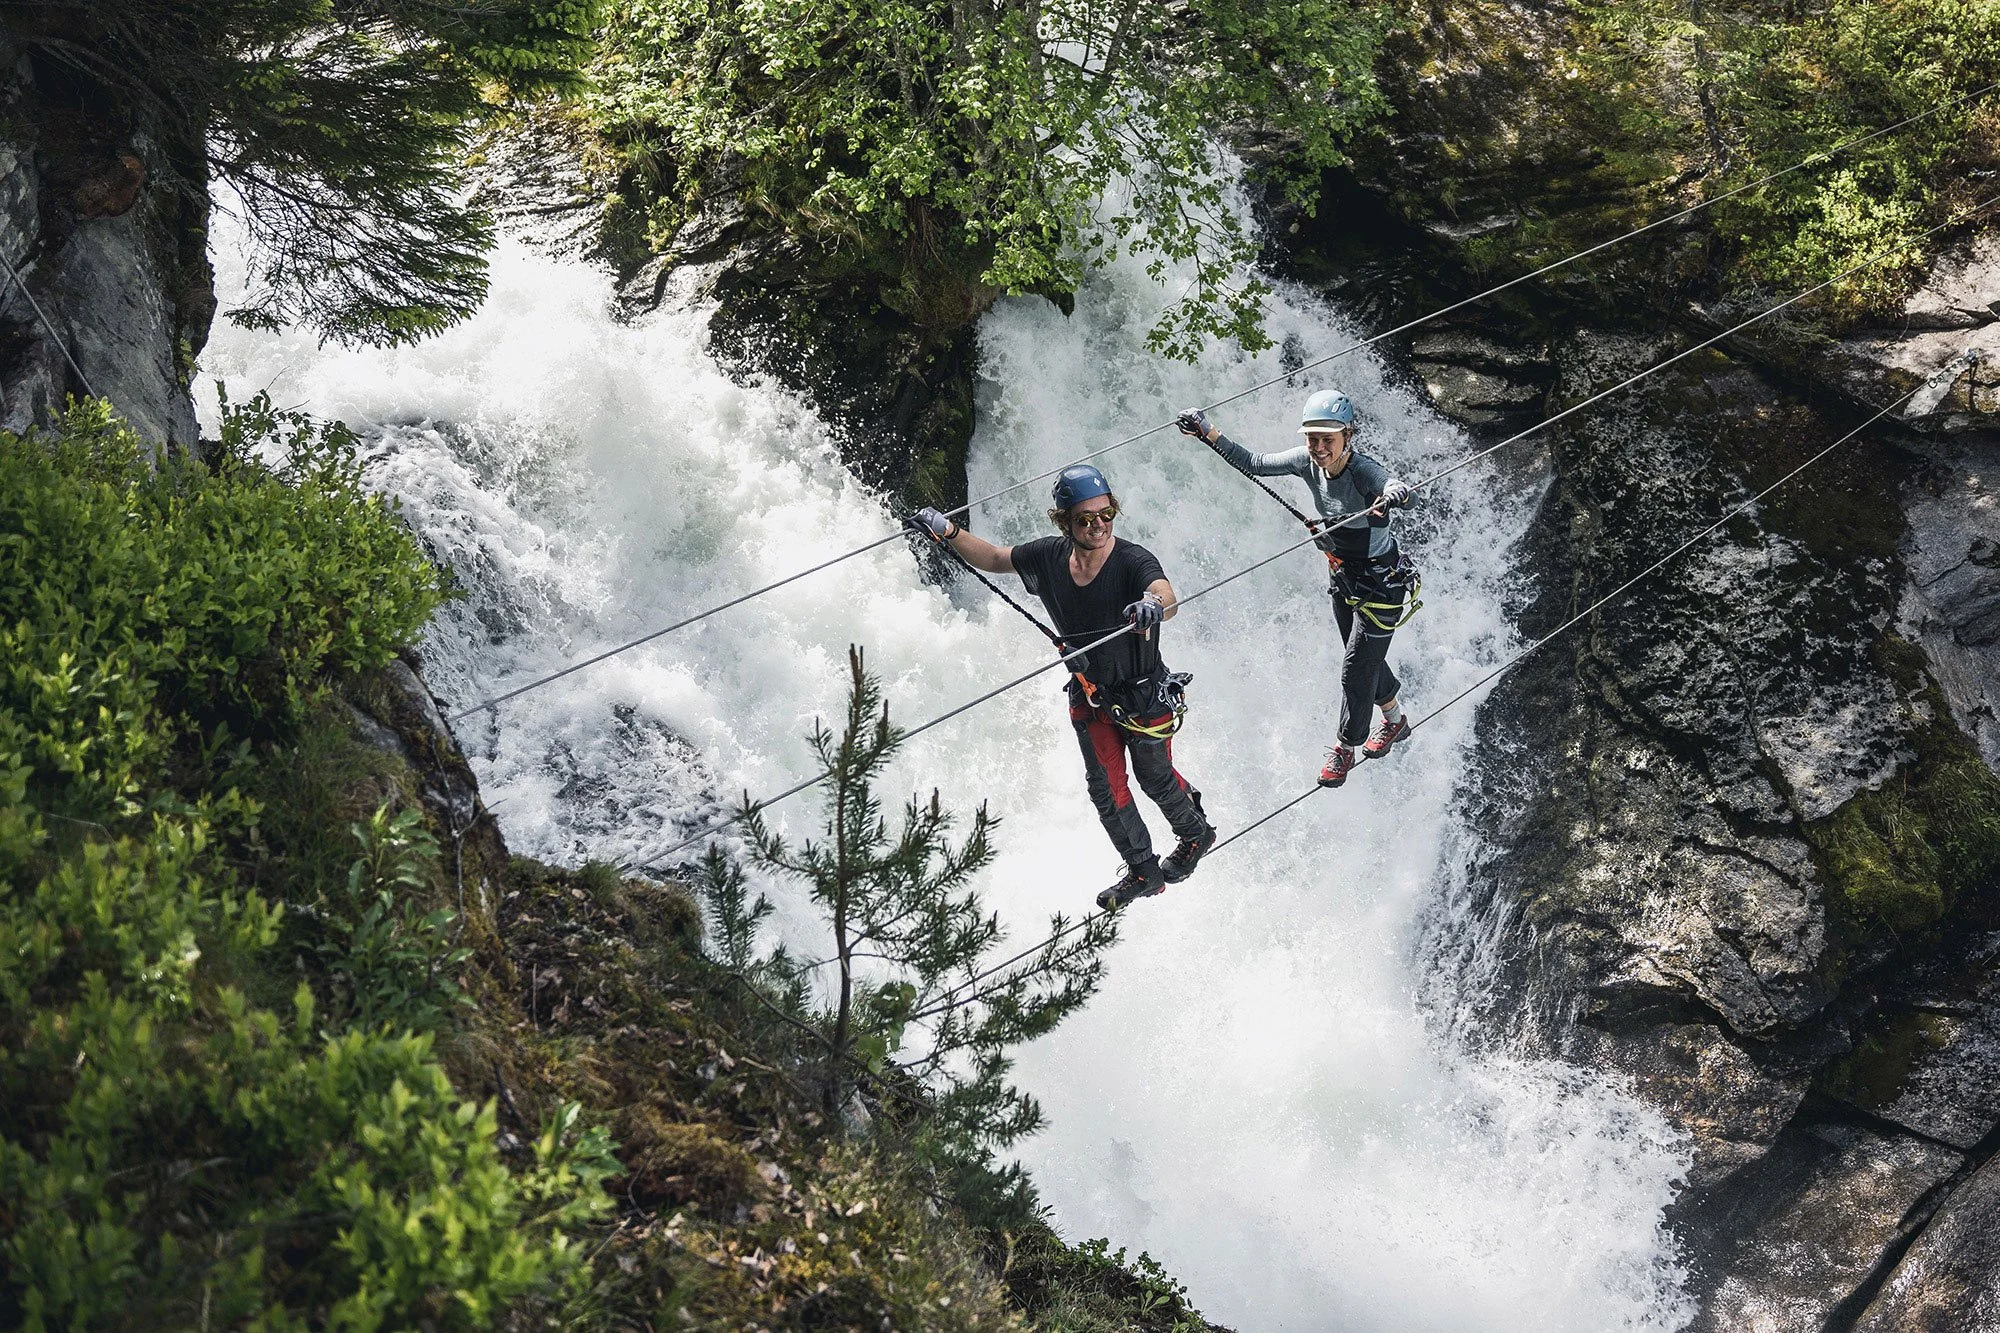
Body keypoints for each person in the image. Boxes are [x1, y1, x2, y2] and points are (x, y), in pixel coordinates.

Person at [913, 464, 1216, 909]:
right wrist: (950, 530)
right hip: (1091, 694)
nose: (1098, 525)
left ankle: (1195, 835)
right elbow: (996, 558)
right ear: (1063, 522)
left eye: (1106, 514)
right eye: (1086, 519)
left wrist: (1152, 605)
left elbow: (1164, 594)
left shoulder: (1132, 560)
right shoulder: (1049, 558)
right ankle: (1143, 871)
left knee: (1153, 778)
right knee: (1105, 788)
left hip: (1143, 695)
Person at [1177, 390, 1416, 789]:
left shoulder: (1362, 471)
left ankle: (1346, 746)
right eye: (1312, 438)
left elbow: (1396, 486)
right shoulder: (1306, 462)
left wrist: (1396, 493)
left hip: (1381, 585)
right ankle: (1395, 720)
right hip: (1343, 577)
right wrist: (1207, 432)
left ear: (1347, 436)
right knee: (1363, 658)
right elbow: (1254, 463)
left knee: (1356, 667)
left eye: (1329, 439)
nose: (1319, 448)